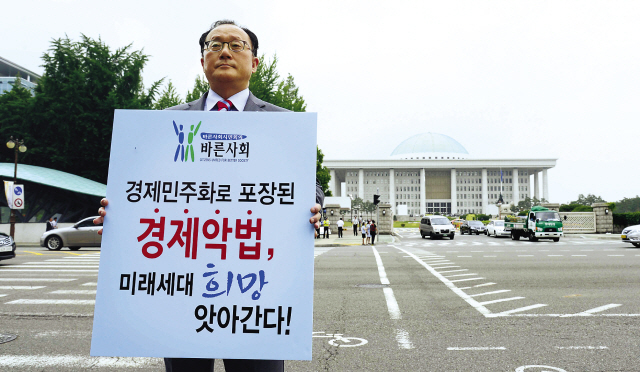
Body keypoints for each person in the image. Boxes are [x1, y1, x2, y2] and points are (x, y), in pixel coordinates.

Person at [95, 19, 324, 372]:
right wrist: (118, 211)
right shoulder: (166, 123)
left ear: (255, 61)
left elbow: (309, 185)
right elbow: (141, 186)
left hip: (255, 298)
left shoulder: (284, 124)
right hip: (181, 298)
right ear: (202, 61)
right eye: (214, 45)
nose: (225, 52)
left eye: (237, 45)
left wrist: (313, 206)